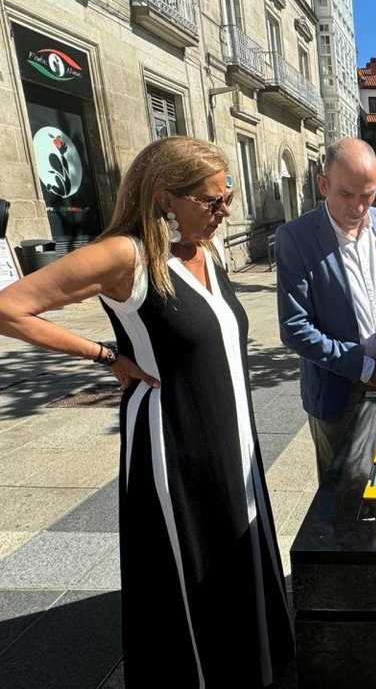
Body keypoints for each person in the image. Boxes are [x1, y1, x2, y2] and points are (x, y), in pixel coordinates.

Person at [0, 136, 294, 686]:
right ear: (165, 197)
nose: (223, 210)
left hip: (231, 433)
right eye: (212, 201)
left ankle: (248, 664)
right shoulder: (124, 255)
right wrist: (104, 354)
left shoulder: (204, 251)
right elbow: (8, 307)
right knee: (190, 560)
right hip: (173, 440)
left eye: (226, 195)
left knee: (238, 544)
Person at [276, 137, 376, 481]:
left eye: (367, 195)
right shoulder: (295, 237)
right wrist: (365, 366)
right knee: (343, 500)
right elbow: (295, 327)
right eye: (346, 194)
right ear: (323, 184)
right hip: (338, 395)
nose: (358, 207)